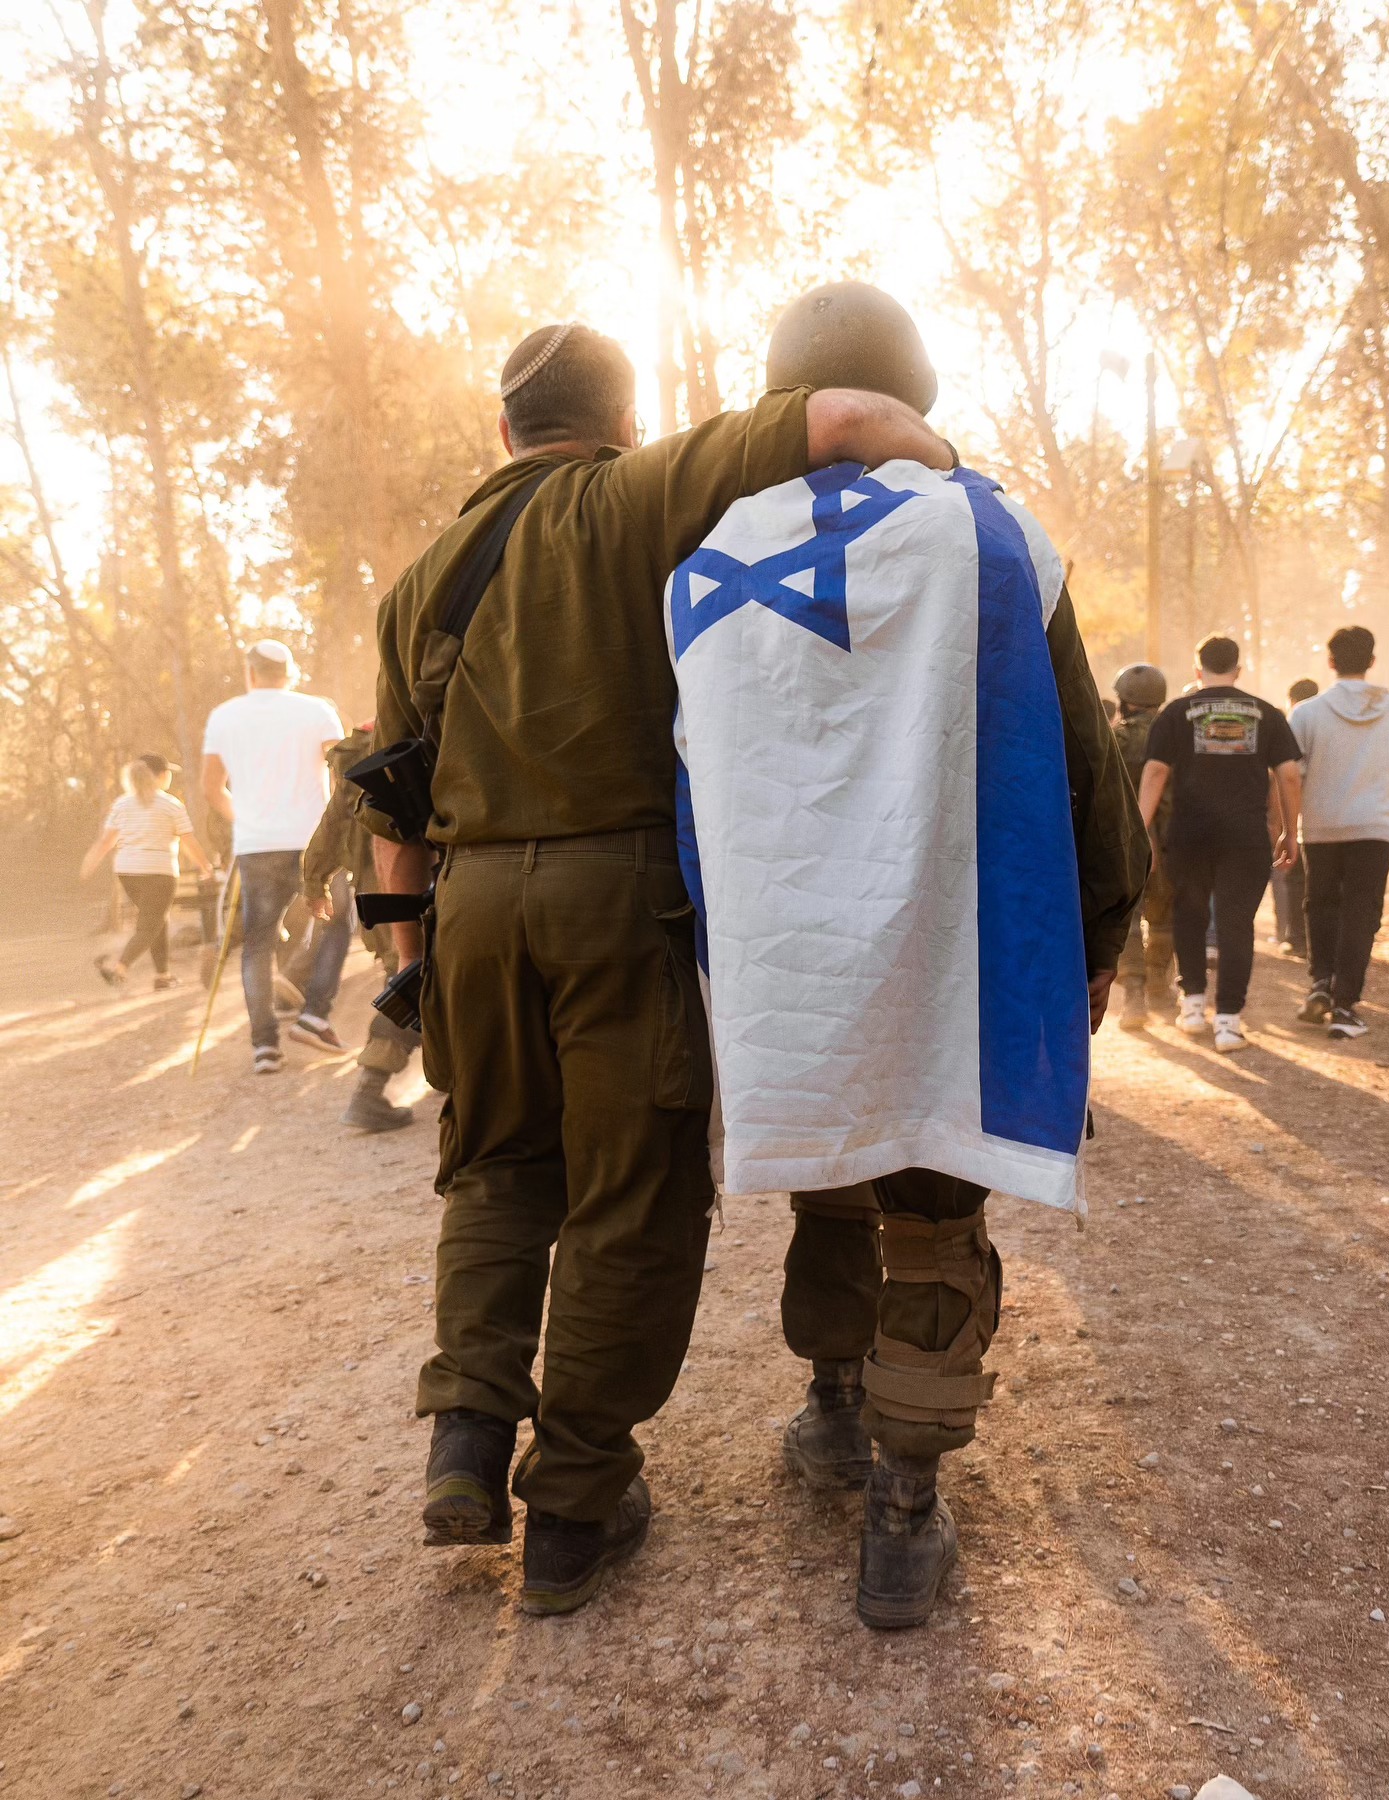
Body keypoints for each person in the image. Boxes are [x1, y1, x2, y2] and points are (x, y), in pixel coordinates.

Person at [364, 319, 962, 1617]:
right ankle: (574, 1509)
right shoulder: (628, 498)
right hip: (611, 899)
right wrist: (952, 474)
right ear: (618, 422)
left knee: (495, 1171)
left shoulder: (421, 580)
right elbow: (843, 415)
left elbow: (390, 808)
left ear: (504, 427)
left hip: (467, 912)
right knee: (633, 1203)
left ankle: (465, 1429)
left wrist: (409, 963)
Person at [675, 283, 1146, 1629]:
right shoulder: (982, 528)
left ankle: (829, 1409)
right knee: (934, 1226)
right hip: (948, 943)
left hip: (786, 964)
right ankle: (902, 1512)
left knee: (832, 1184)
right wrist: (1099, 930)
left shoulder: (704, 561)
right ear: (914, 389)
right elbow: (1077, 749)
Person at [1137, 635, 1301, 1051]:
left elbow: (1155, 774)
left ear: (1197, 669)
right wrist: (1289, 830)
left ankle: (1192, 1007)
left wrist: (1140, 830)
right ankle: (1228, 1021)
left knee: (1189, 916)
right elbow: (1289, 776)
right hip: (1245, 840)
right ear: (1238, 669)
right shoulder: (1266, 713)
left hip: (1190, 836)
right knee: (1235, 925)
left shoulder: (1177, 712)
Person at [202, 640, 351, 1074]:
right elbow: (344, 772)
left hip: (257, 844)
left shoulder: (225, 716)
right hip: (314, 841)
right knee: (336, 921)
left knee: (258, 944)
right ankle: (314, 1015)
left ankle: (264, 1046)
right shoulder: (317, 711)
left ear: (250, 673)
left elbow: (212, 788)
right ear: (290, 672)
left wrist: (245, 818)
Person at [1290, 626, 1389, 1040]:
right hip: (1374, 827)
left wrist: (1301, 813)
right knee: (1362, 912)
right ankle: (1346, 1005)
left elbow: (1293, 773)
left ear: (1330, 662)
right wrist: (1386, 804)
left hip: (1321, 827)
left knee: (1321, 904)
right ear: (1372, 661)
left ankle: (1320, 984)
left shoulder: (1306, 713)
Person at [302, 721, 421, 1130]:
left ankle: (453, 1075)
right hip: (416, 877)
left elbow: (334, 822)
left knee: (412, 977)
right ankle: (369, 1092)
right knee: (413, 981)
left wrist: (313, 879)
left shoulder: (360, 753)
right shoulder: (424, 732)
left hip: (375, 892)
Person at [80, 755, 214, 989]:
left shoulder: (121, 804)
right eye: (167, 772)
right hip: (159, 873)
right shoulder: (171, 805)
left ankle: (162, 976)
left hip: (128, 873)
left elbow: (106, 842)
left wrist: (90, 862)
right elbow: (189, 842)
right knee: (151, 923)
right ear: (159, 776)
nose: (169, 776)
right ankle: (117, 966)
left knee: (157, 920)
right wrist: (206, 867)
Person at [1110, 663, 1173, 1029]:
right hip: (1170, 842)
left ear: (1124, 700)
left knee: (1130, 918)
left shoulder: (1115, 737)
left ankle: (1134, 996)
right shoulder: (1175, 734)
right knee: (1164, 917)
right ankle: (1160, 987)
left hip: (1125, 840)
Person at [1270, 677, 1319, 957]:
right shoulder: (1326, 723)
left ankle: (1297, 938)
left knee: (1295, 878)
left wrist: (1284, 825)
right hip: (1328, 816)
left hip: (1303, 819)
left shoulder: (1296, 724)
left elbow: (1287, 778)